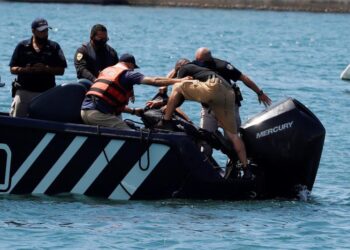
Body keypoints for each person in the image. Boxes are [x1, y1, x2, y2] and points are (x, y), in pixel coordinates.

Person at [156, 59, 249, 172]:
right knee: (232, 138)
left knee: (177, 86)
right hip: (224, 102)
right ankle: (245, 169)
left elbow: (174, 89)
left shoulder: (185, 69)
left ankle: (165, 122)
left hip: (216, 104)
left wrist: (164, 99)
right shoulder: (204, 69)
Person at [81, 53, 188, 130]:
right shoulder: (128, 74)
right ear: (130, 64)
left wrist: (133, 111)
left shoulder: (106, 71)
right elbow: (155, 81)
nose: (133, 70)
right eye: (133, 67)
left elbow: (107, 101)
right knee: (131, 134)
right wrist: (180, 80)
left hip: (84, 112)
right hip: (98, 115)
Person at [194, 47, 271, 132]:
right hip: (208, 109)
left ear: (208, 59)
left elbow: (244, 78)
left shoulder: (223, 66)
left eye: (199, 60)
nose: (197, 62)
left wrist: (260, 93)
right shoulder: (194, 67)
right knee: (205, 138)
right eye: (196, 60)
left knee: (232, 138)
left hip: (228, 108)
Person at [9, 18, 67, 117]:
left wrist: (46, 68)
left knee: (46, 122)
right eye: (41, 31)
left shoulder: (54, 47)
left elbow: (61, 70)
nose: (45, 33)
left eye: (46, 30)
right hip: (24, 91)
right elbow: (12, 68)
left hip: (46, 92)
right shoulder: (22, 46)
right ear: (33, 31)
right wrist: (25, 70)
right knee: (17, 120)